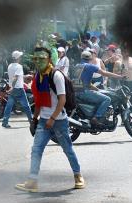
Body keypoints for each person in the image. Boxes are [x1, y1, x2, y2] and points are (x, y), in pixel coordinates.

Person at [16, 47, 84, 192]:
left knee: (67, 149)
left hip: (58, 120)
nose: (38, 61)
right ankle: (32, 181)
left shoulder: (56, 75)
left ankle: (78, 175)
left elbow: (62, 100)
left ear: (49, 59)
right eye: (36, 58)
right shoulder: (38, 77)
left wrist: (52, 118)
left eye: (42, 58)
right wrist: (34, 120)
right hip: (43, 120)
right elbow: (39, 101)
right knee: (36, 150)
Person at [74, 50, 125, 127]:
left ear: (81, 57)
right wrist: (119, 76)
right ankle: (97, 117)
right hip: (84, 92)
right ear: (90, 58)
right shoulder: (90, 66)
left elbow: (88, 84)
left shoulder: (77, 66)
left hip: (76, 92)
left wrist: (98, 90)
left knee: (99, 96)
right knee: (107, 99)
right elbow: (104, 73)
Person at [1, 51, 33, 128]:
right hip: (18, 88)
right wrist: (13, 86)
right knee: (26, 106)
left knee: (9, 106)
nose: (21, 58)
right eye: (20, 57)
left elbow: (17, 76)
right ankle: (32, 121)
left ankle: (5, 122)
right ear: (18, 58)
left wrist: (25, 76)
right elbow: (15, 77)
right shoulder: (19, 66)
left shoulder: (10, 66)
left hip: (13, 89)